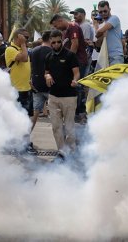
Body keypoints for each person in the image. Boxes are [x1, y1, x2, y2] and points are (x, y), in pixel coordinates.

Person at [44, 29, 80, 159]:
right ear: (50, 42)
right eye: (53, 42)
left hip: (69, 97)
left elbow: (76, 72)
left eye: (59, 42)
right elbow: (46, 72)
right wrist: (47, 76)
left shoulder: (70, 55)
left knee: (69, 128)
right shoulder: (48, 56)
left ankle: (71, 153)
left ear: (62, 41)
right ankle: (61, 152)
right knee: (56, 127)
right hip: (53, 97)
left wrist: (75, 80)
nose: (56, 45)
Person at [29, 31, 52, 146]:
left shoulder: (34, 50)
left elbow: (31, 67)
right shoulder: (52, 51)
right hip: (50, 86)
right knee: (57, 116)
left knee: (35, 114)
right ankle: (63, 145)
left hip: (36, 85)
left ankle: (25, 139)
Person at [94, 0, 123, 65]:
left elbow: (99, 32)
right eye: (100, 12)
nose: (103, 13)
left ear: (109, 9)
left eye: (105, 11)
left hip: (115, 55)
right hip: (105, 56)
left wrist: (96, 28)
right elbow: (98, 42)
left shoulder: (114, 18)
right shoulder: (103, 24)